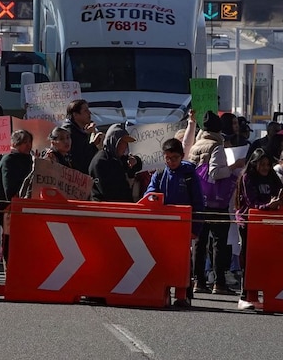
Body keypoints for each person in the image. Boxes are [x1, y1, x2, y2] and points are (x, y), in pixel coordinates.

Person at [187, 110, 244, 295]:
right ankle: (219, 282)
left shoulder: (197, 145)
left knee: (200, 242)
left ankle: (198, 281)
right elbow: (215, 173)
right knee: (219, 242)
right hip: (215, 201)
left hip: (198, 199)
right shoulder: (216, 146)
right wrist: (234, 167)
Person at [145, 138, 205, 308]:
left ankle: (183, 294)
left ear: (182, 156)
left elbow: (198, 203)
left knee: (183, 261)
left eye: (175, 158)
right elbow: (149, 194)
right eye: (168, 158)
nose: (171, 162)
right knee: (162, 259)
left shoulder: (189, 175)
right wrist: (152, 197)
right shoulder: (159, 174)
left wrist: (196, 228)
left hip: (183, 227)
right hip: (163, 228)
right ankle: (162, 291)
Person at [234, 148, 283, 308]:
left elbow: (280, 192)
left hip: (268, 222)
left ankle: (262, 293)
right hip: (248, 222)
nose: (265, 167)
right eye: (262, 164)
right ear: (254, 164)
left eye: (268, 164)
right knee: (248, 258)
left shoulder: (272, 176)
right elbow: (251, 203)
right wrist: (268, 206)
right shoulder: (247, 177)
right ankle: (245, 295)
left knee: (265, 259)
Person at [0, 129, 34, 265]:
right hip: (10, 211)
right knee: (9, 247)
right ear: (16, 143)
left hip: (19, 211)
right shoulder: (10, 159)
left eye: (30, 142)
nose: (28, 145)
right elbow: (10, 188)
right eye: (25, 142)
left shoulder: (25, 158)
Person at [89, 124, 141, 202]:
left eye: (127, 143)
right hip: (105, 209)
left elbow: (138, 165)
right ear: (115, 142)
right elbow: (109, 192)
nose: (125, 146)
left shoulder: (118, 158)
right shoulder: (100, 162)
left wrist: (135, 161)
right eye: (123, 142)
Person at [63, 99, 103, 174]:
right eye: (85, 111)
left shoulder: (78, 130)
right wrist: (93, 144)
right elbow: (81, 158)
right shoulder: (69, 133)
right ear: (75, 115)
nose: (89, 113)